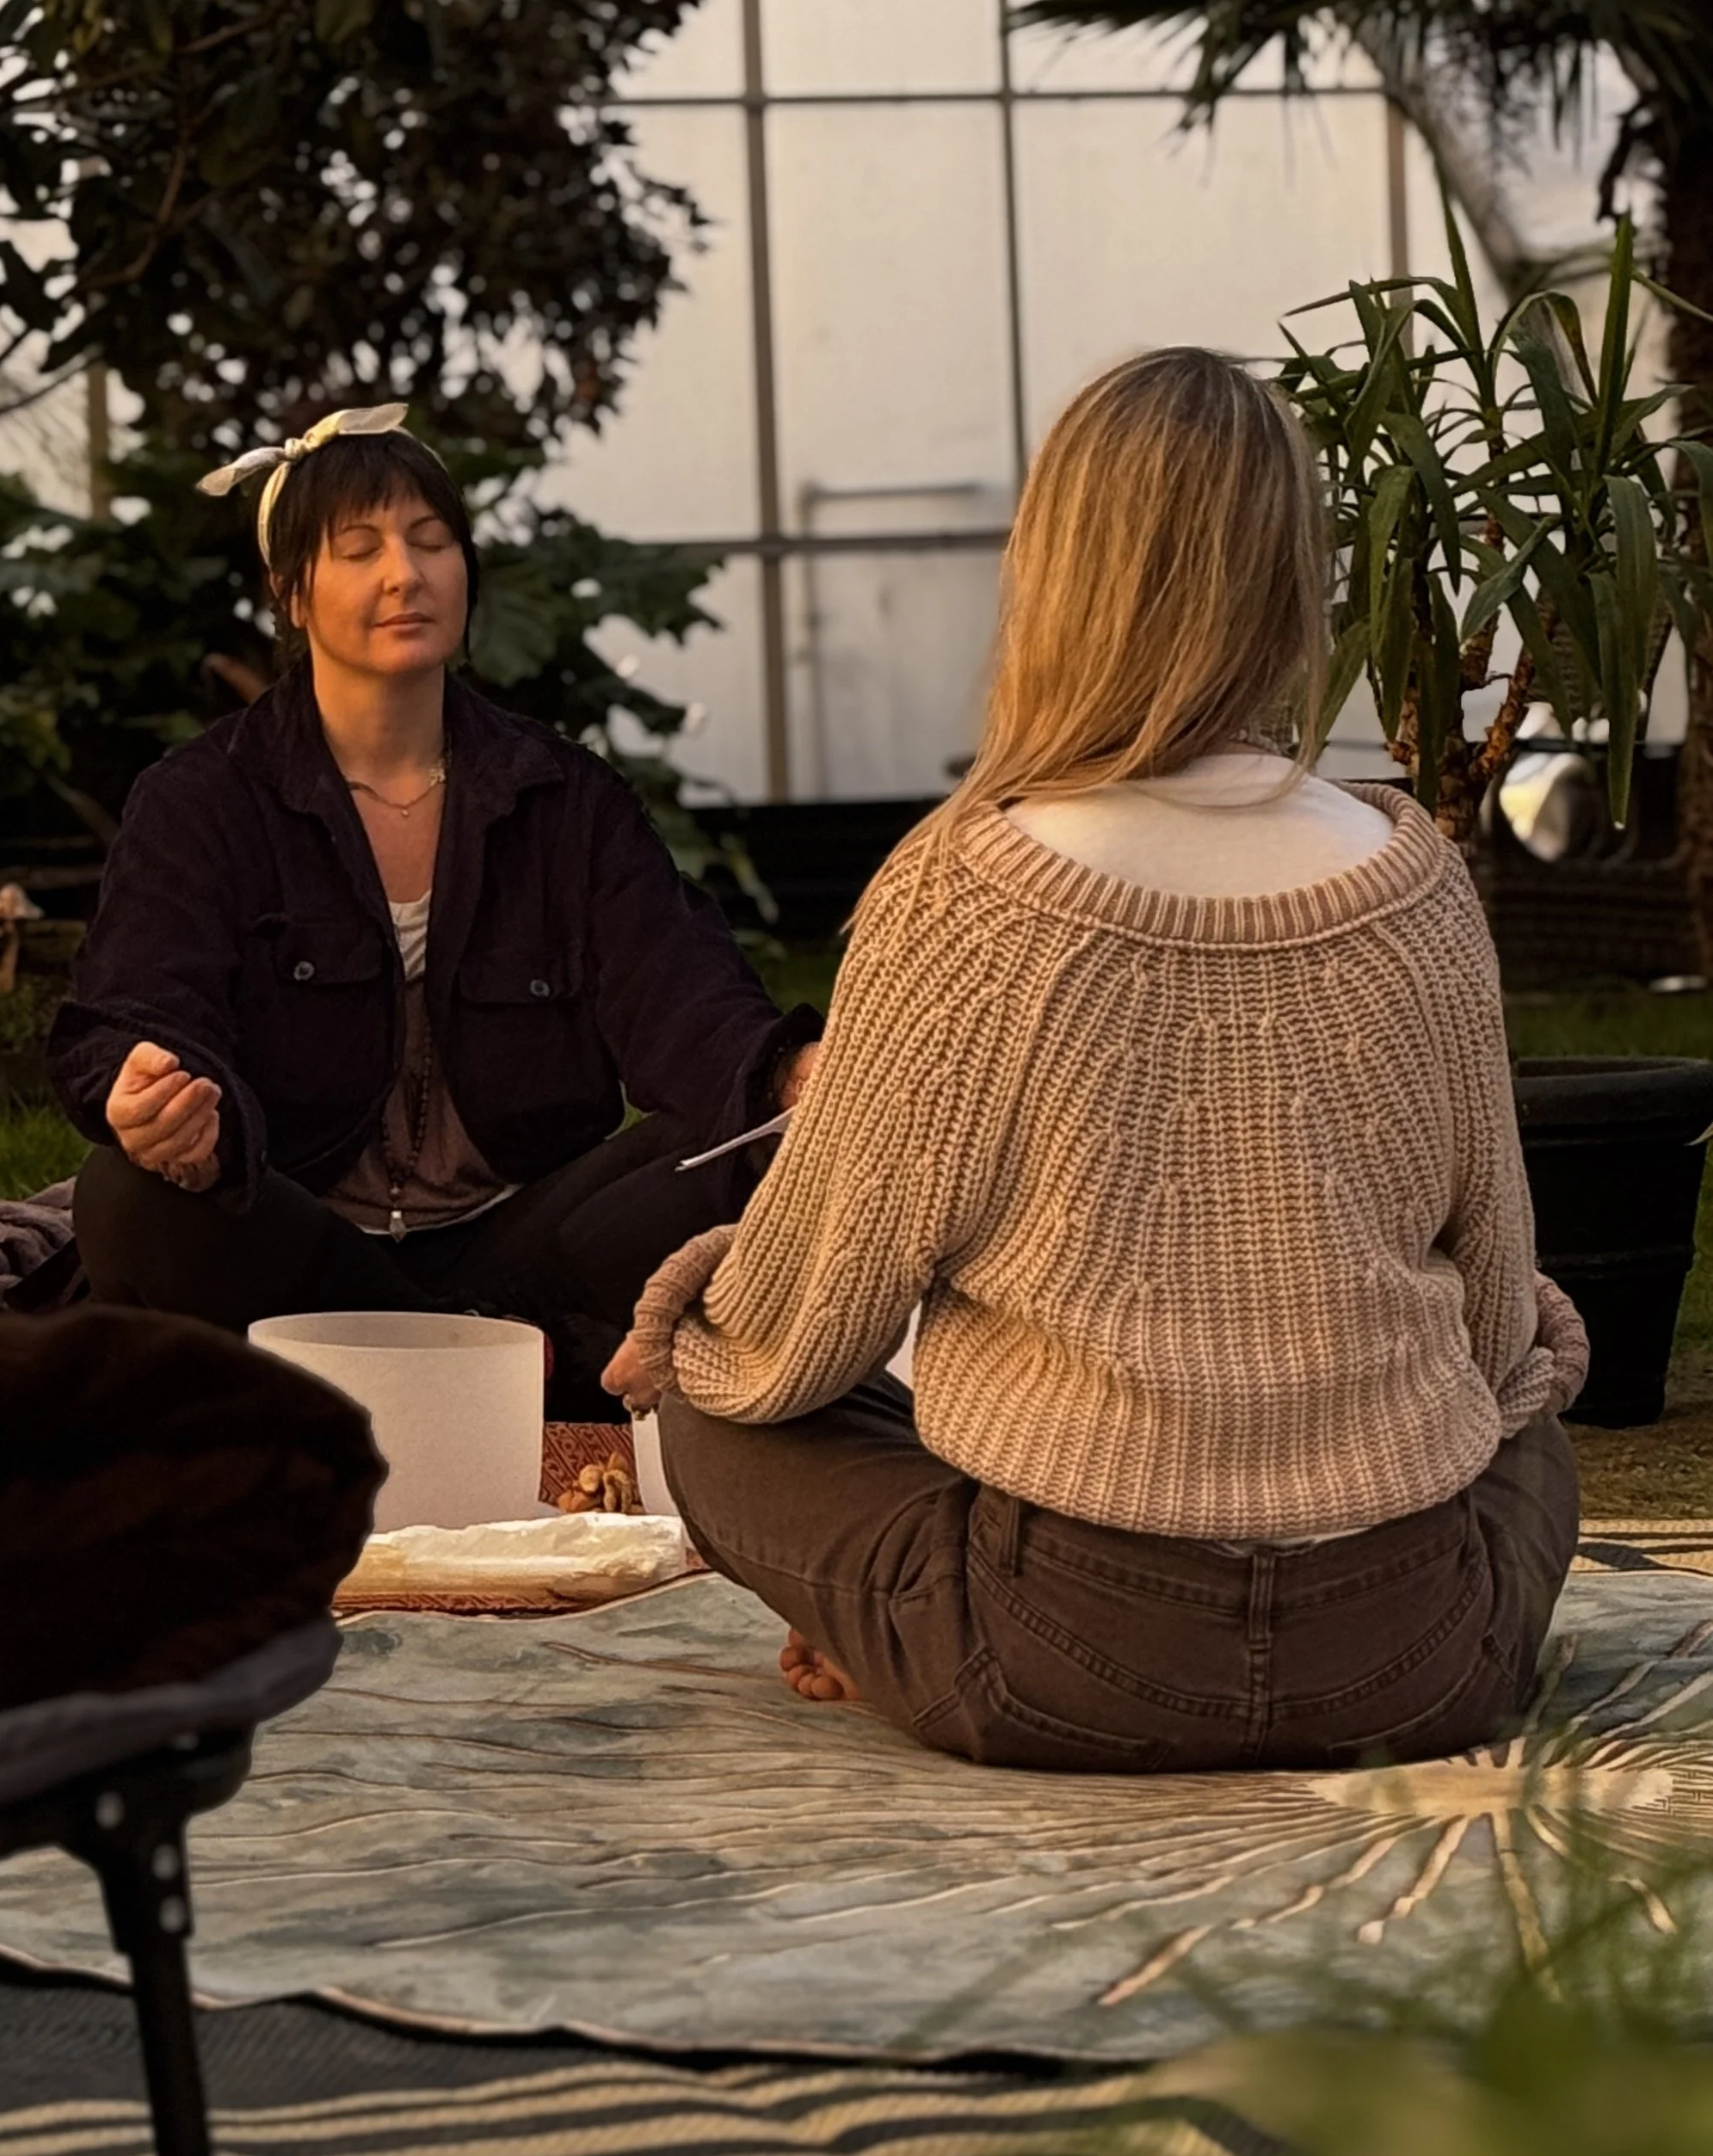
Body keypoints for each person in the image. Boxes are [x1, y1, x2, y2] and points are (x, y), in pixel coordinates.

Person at [608, 348, 1585, 1769]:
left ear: (1053, 571)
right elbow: (1494, 1327)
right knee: (1534, 1396)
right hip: (1415, 1656)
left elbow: (800, 1331)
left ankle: (897, 1636)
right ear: (1290, 575)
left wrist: (692, 1307)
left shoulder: (964, 894)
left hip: (1058, 1656)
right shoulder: (1417, 886)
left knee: (719, 1414)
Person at [52, 404, 819, 1416]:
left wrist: (791, 1075)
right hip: (304, 1248)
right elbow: (139, 1007)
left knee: (771, 1141)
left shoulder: (559, 796)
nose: (403, 576)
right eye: (358, 549)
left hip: (524, 1244)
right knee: (129, 1198)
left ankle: (414, 1371)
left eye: (431, 540)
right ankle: (504, 1371)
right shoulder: (205, 800)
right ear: (290, 593)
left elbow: (682, 994)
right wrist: (157, 1104)